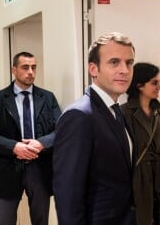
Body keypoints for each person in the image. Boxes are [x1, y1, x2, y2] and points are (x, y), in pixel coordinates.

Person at [53, 32, 136, 225]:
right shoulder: (80, 116)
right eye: (114, 62)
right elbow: (68, 191)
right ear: (93, 69)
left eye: (129, 63)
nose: (124, 70)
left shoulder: (116, 111)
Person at [0, 52, 61, 225]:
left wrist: (41, 143)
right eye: (25, 67)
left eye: (34, 67)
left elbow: (61, 131)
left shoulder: (48, 98)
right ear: (14, 70)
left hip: (39, 167)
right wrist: (14, 147)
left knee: (41, 220)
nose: (31, 72)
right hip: (7, 168)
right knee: (5, 220)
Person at [121, 62, 160, 225]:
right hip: (138, 179)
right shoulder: (124, 113)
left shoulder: (158, 112)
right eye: (154, 83)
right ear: (140, 85)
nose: (159, 87)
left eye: (159, 82)